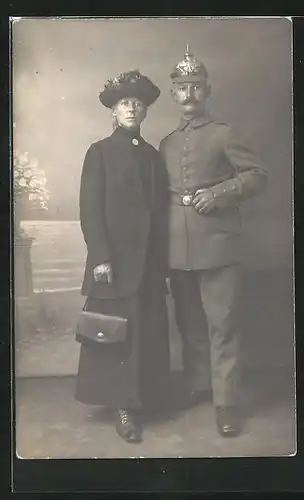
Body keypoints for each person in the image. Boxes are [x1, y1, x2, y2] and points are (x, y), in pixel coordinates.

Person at [159, 45, 268, 437]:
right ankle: (199, 385)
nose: (189, 94)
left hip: (219, 245)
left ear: (207, 91)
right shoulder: (167, 143)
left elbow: (257, 175)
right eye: (182, 87)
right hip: (177, 246)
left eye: (196, 86)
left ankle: (226, 402)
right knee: (189, 324)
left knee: (223, 325)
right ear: (173, 93)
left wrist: (219, 194)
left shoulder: (225, 134)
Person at [75, 70, 170, 443]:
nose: (131, 107)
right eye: (124, 103)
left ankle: (148, 397)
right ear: (113, 111)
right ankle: (123, 407)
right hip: (113, 263)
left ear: (145, 111)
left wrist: (160, 261)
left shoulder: (151, 155)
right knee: (116, 336)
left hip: (148, 263)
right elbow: (90, 209)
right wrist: (100, 256)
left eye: (138, 103)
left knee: (146, 330)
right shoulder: (99, 152)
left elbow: (158, 212)